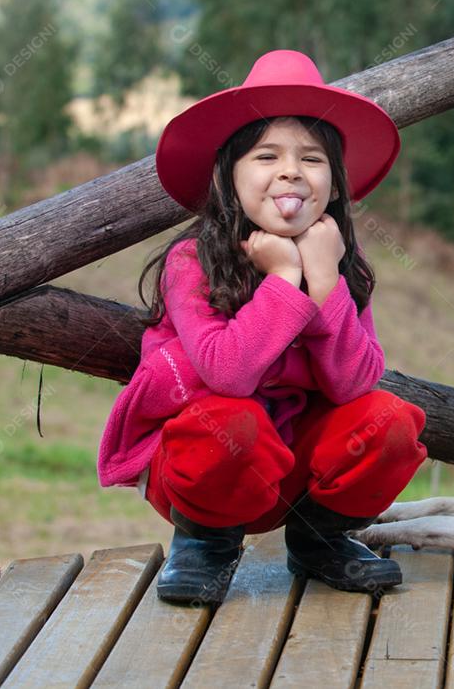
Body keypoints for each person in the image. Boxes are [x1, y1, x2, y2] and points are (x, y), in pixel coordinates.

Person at [97, 50, 427, 604]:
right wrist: (282, 277)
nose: (291, 171)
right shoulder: (192, 262)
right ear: (228, 178)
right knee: (232, 423)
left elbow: (353, 384)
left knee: (391, 422)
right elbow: (228, 373)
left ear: (337, 185)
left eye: (313, 158)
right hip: (204, 472)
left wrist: (323, 279)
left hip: (293, 474)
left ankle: (321, 539)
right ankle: (205, 545)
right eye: (266, 155)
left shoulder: (339, 261)